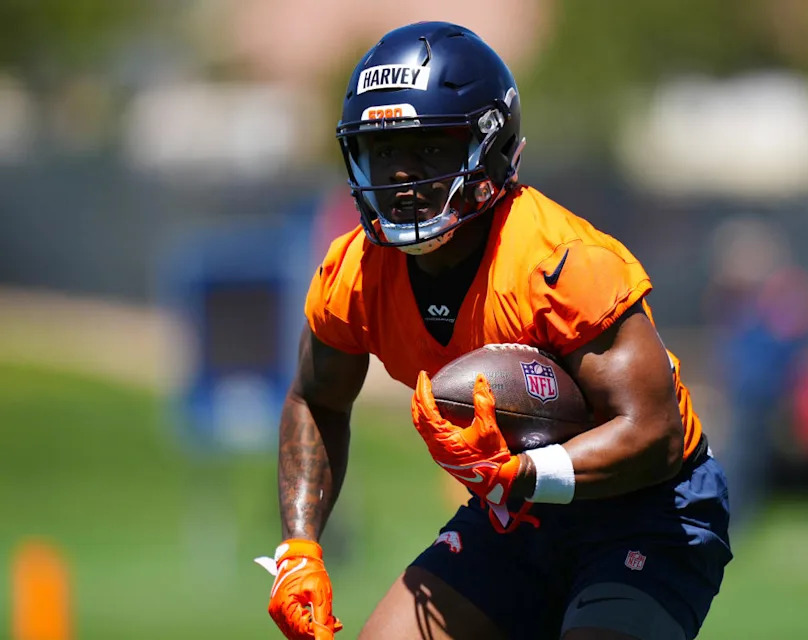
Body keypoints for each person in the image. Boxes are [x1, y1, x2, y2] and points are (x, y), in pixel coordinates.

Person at [256, 22, 731, 640]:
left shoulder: (558, 262)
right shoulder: (352, 272)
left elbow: (656, 434)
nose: (400, 177)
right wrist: (300, 547)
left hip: (646, 511)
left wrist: (522, 475)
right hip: (515, 517)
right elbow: (316, 398)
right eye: (384, 151)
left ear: (493, 149)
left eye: (427, 150)